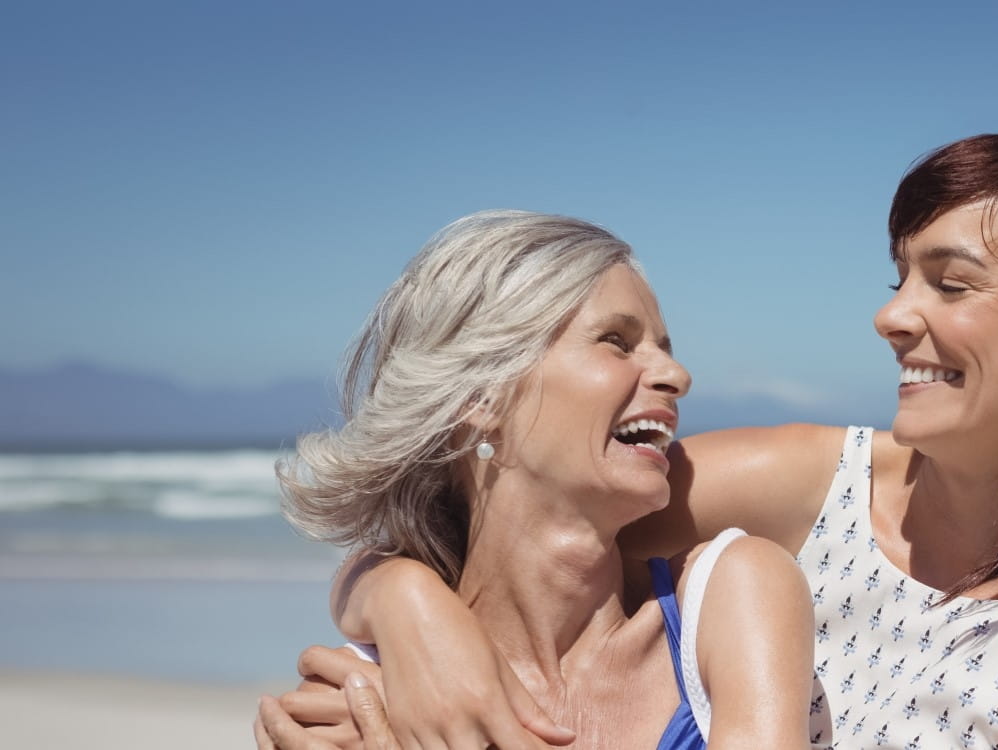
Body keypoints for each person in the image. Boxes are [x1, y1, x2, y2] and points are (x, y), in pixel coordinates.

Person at [273, 127, 998, 749]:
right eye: (898, 277)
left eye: (949, 283)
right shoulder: (807, 486)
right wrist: (406, 609)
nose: (891, 318)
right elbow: (510, 521)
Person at [252, 211, 813, 750]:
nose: (677, 376)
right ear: (480, 397)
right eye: (616, 341)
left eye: (665, 350)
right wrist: (398, 592)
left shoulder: (731, 594)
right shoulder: (361, 696)